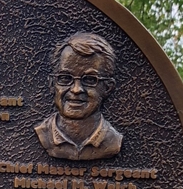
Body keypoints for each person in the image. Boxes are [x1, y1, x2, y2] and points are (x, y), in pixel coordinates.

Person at [34, 32, 122, 161]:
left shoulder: (113, 141)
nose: (76, 89)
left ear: (107, 87)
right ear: (52, 84)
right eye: (65, 78)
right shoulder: (41, 134)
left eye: (90, 80)